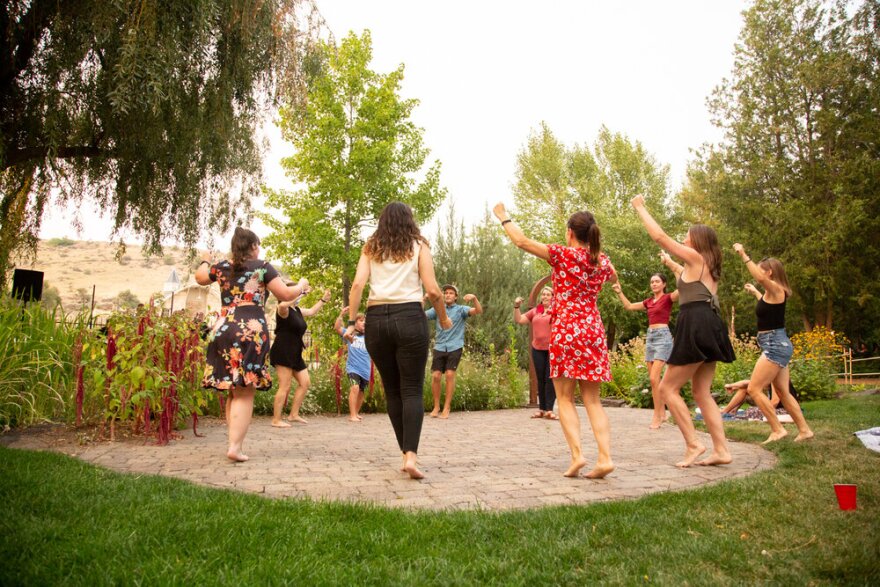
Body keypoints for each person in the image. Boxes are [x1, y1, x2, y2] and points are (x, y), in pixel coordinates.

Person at [494, 202, 617, 479]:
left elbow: (522, 241)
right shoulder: (602, 260)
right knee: (593, 401)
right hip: (592, 329)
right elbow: (613, 277)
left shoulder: (564, 255)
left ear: (571, 232)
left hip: (567, 329)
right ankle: (605, 458)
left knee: (564, 398)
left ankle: (577, 456)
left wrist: (503, 217)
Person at [346, 202, 451, 479]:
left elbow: (357, 285)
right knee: (412, 390)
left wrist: (350, 321)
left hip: (376, 320)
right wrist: (442, 319)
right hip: (409, 317)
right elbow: (433, 290)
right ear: (409, 221)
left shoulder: (371, 246)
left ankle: (405, 453)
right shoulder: (419, 245)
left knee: (393, 390)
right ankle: (411, 456)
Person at [631, 195, 734, 468]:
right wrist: (668, 263)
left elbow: (661, 236)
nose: (684, 239)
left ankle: (693, 444)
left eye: (687, 236)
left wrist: (641, 208)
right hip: (710, 323)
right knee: (701, 392)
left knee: (666, 388)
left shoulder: (695, 256)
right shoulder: (705, 264)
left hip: (696, 323)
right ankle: (721, 450)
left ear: (697, 240)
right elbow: (682, 273)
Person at [196, 227, 308, 462]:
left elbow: (200, 277)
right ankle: (235, 447)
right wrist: (301, 285)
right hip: (250, 330)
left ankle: (233, 442)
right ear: (254, 246)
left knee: (232, 389)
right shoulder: (262, 267)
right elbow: (286, 294)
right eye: (258, 245)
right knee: (245, 391)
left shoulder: (222, 267)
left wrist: (206, 258)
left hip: (223, 329)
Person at [733, 244, 814, 442]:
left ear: (769, 272)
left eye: (761, 270)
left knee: (754, 389)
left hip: (774, 345)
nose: (758, 275)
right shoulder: (771, 294)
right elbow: (767, 308)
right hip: (777, 344)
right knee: (783, 392)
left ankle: (777, 429)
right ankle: (804, 430)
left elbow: (760, 278)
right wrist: (755, 293)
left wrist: (744, 254)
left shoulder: (777, 289)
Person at [611, 254, 680, 429]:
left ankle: (658, 416)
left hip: (663, 337)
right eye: (652, 282)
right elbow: (629, 307)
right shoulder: (649, 302)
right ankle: (662, 413)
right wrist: (620, 293)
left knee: (654, 377)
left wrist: (675, 268)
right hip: (651, 337)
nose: (654, 284)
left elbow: (683, 290)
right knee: (653, 381)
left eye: (657, 281)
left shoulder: (668, 298)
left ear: (664, 284)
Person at [268, 287, 331, 427]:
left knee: (305, 382)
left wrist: (323, 300)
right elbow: (284, 304)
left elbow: (312, 311)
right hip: (283, 350)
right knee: (285, 386)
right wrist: (299, 292)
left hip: (295, 352)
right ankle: (276, 420)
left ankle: (293, 415)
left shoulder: (297, 310)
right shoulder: (283, 310)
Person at [425, 285, 483, 418]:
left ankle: (446, 407)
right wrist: (424, 299)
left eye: (451, 293)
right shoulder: (438, 310)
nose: (448, 295)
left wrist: (474, 299)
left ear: (456, 296)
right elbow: (422, 315)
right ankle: (436, 407)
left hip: (455, 346)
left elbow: (478, 310)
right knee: (436, 376)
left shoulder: (461, 310)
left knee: (450, 374)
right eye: (446, 293)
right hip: (439, 346)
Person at [513, 286, 557, 420]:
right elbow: (519, 320)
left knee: (550, 379)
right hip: (537, 349)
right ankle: (541, 409)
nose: (545, 297)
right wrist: (516, 307)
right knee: (540, 379)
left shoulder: (557, 311)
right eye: (543, 294)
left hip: (553, 349)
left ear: (553, 297)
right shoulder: (536, 311)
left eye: (548, 295)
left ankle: (549, 409)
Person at [335, 306, 372, 422]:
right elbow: (337, 328)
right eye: (361, 320)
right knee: (354, 388)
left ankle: (356, 412)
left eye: (365, 320)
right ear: (354, 323)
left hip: (365, 369)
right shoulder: (349, 333)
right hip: (353, 368)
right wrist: (341, 314)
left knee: (361, 392)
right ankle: (352, 415)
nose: (364, 322)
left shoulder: (370, 336)